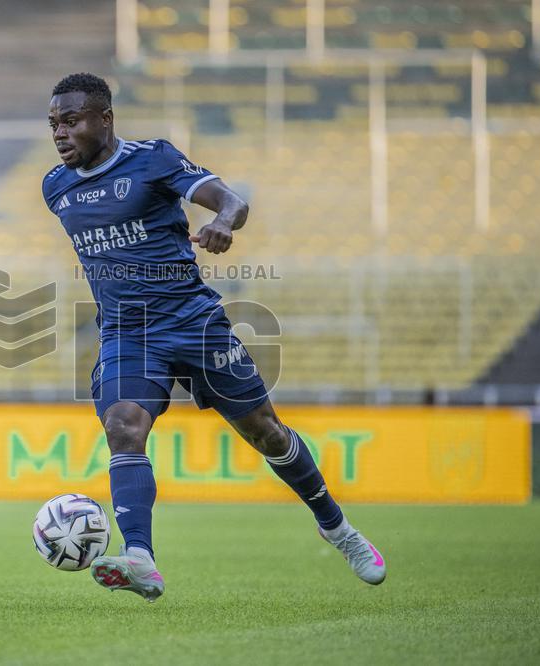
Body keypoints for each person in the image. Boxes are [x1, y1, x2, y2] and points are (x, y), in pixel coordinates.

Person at [42, 73, 385, 602]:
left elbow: (232, 201)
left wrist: (223, 222)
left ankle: (337, 528)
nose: (60, 133)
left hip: (193, 323)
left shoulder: (152, 159)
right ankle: (140, 558)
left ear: (104, 119)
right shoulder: (55, 187)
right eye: (53, 124)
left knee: (266, 433)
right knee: (123, 425)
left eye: (71, 121)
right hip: (128, 333)